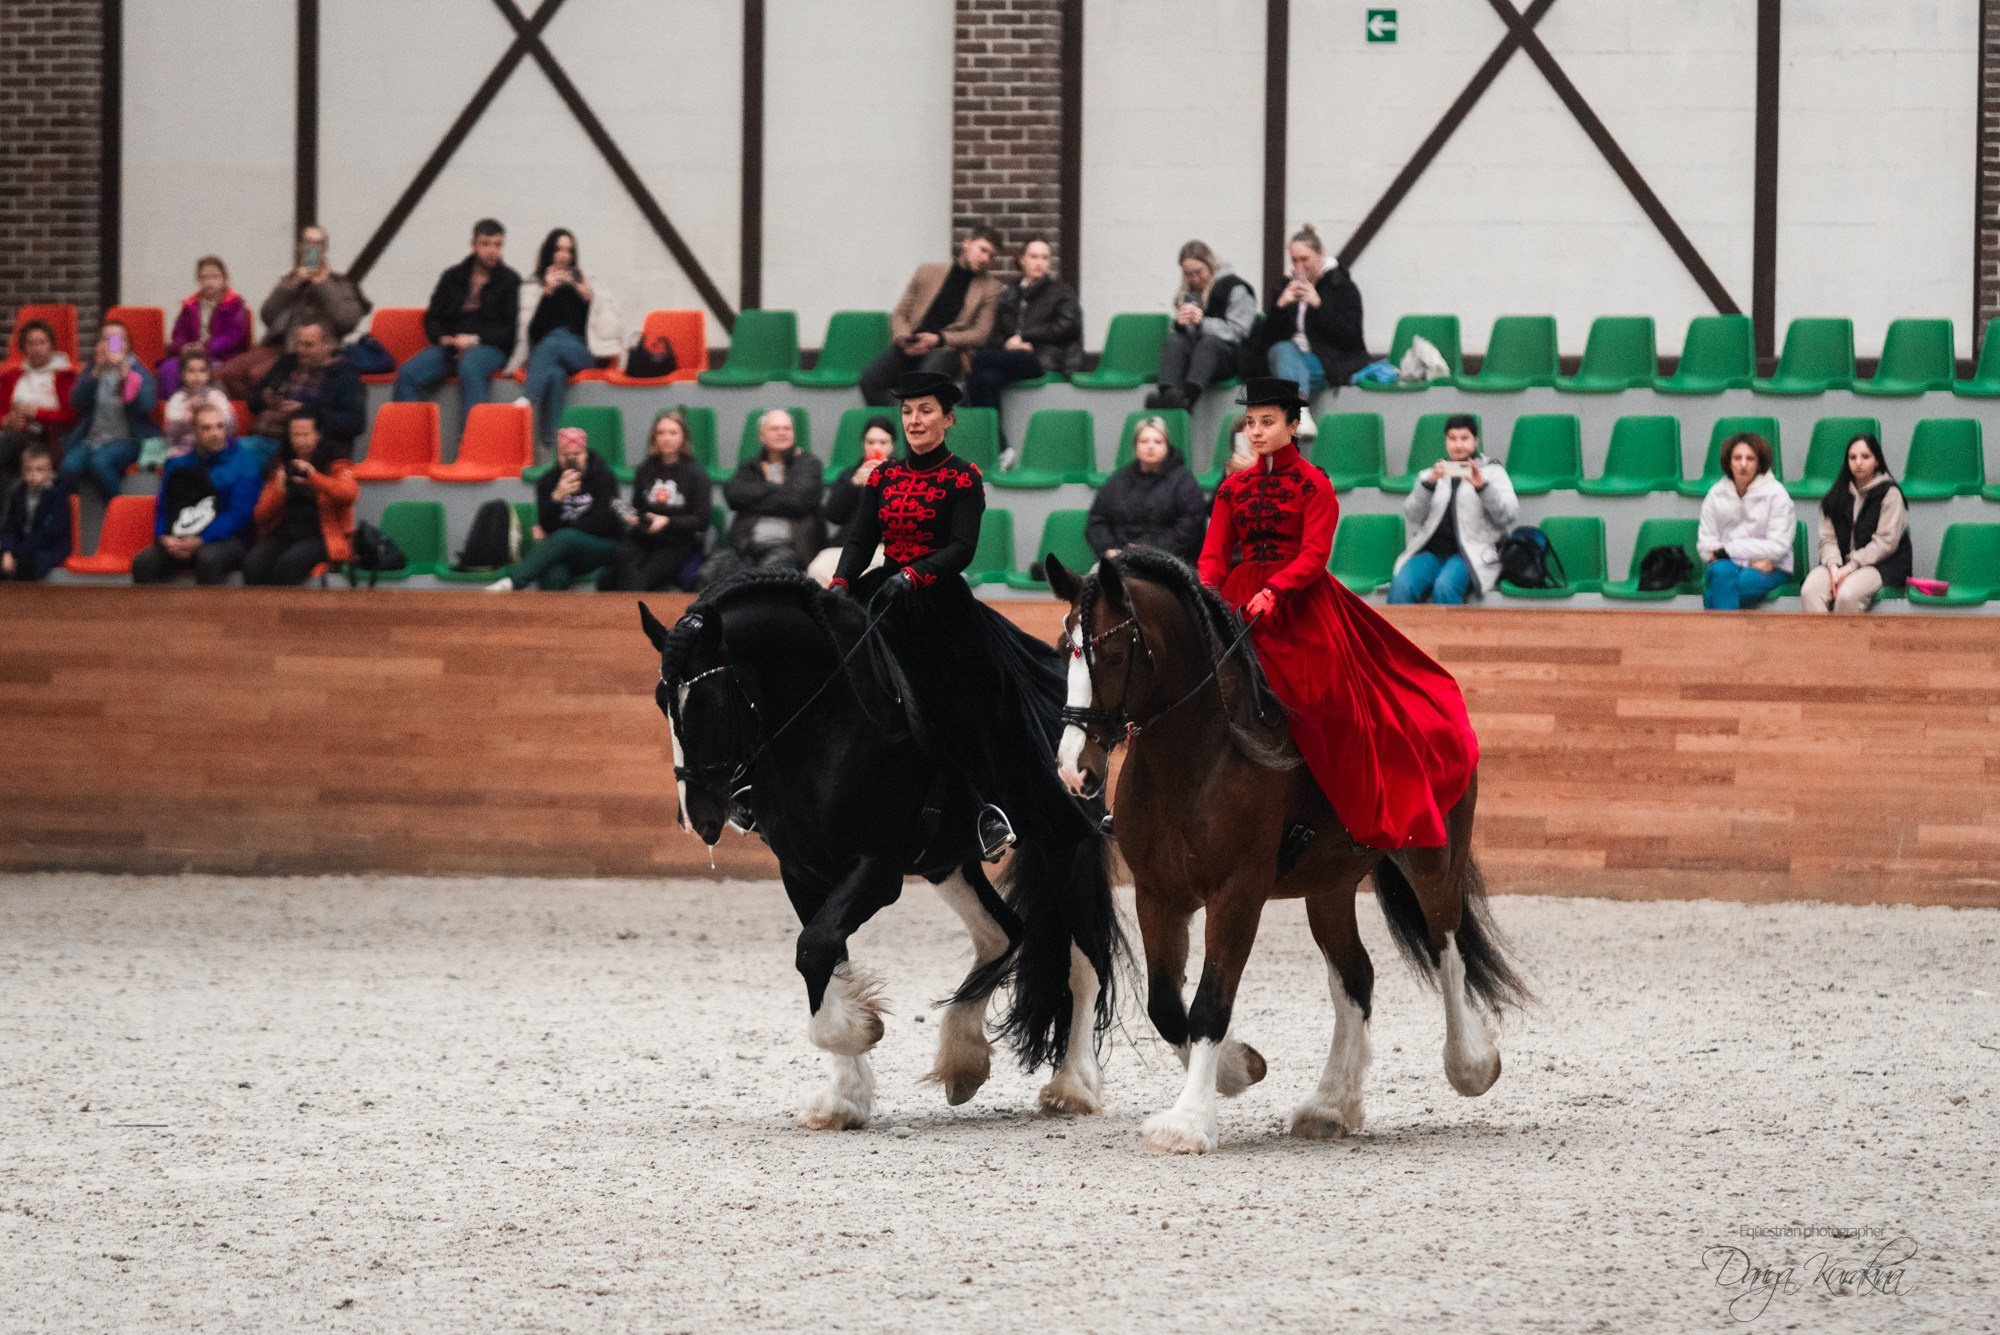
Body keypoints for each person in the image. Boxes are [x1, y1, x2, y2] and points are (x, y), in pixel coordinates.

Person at [1199, 378, 1479, 850]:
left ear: (1293, 425)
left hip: (1300, 602)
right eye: (1250, 423)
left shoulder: (1315, 484)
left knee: (1327, 700)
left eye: (1267, 422)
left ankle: (1340, 819)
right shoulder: (1232, 489)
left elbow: (1313, 555)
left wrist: (1275, 589)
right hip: (1238, 599)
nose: (1256, 432)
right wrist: (1205, 593)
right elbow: (1213, 555)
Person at [830, 369, 1098, 860]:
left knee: (961, 700)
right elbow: (859, 539)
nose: (914, 420)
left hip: (938, 604)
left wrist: (913, 576)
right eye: (908, 411)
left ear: (948, 419)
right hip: (883, 592)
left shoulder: (962, 476)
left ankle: (983, 809)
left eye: (926, 411)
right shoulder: (883, 476)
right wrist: (840, 586)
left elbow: (962, 548)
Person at [393, 219, 520, 433]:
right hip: (450, 346)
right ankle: (406, 444)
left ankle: (473, 448)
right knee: (407, 373)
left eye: (498, 245)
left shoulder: (510, 281)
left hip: (489, 347)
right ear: (474, 244)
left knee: (470, 365)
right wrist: (442, 338)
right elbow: (432, 317)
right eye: (486, 244)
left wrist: (474, 340)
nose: (492, 251)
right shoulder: (453, 276)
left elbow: (511, 331)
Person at [221, 225, 372, 398]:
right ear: (300, 247)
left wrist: (322, 284)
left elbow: (346, 322)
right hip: (278, 345)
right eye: (308, 243)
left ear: (325, 249)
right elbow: (267, 316)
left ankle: (269, 413)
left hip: (311, 352)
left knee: (257, 375)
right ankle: (262, 413)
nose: (312, 248)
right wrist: (290, 286)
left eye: (318, 244)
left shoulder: (340, 284)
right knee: (229, 372)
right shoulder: (290, 281)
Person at [858, 227, 1004, 406]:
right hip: (911, 343)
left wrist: (938, 339)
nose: (985, 259)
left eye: (991, 256)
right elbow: (900, 313)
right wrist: (903, 338)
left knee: (923, 383)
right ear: (967, 243)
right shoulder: (927, 272)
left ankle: (910, 418)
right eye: (983, 250)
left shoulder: (990, 287)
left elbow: (981, 333)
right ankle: (904, 418)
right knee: (870, 380)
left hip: (946, 349)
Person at [512, 227, 626, 453]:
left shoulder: (586, 282)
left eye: (569, 250)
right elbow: (532, 333)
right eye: (559, 249)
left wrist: (587, 298)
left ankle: (528, 396)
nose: (564, 255)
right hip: (549, 354)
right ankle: (550, 444)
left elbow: (608, 326)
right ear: (549, 252)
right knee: (554, 373)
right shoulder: (535, 285)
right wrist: (547, 294)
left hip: (582, 352)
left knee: (555, 340)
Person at [1388, 414, 1519, 605]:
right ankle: (1397, 636)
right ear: (1446, 441)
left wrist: (1482, 487)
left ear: (1475, 441)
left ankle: (1450, 636)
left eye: (1464, 438)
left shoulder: (1492, 473)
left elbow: (1508, 515)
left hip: (1471, 552)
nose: (1458, 445)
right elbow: (1412, 515)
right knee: (1401, 586)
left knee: (1445, 587)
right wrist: (1429, 485)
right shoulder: (1430, 474)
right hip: (1431, 552)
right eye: (1452, 438)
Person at [1250, 223, 1367, 434]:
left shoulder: (1342, 287)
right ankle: (1298, 409)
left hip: (1328, 360)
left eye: (1305, 259)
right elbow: (1264, 341)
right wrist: (1280, 306)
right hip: (1290, 360)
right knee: (1282, 350)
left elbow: (1351, 337)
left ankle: (1296, 410)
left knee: (1283, 358)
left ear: (1320, 254)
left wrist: (1319, 305)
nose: (1300, 266)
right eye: (1294, 260)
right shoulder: (1285, 286)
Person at [131, 401, 261, 584]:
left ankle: (207, 613)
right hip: (180, 535)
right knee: (144, 562)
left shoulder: (245, 464)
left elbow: (239, 515)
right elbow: (164, 507)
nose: (215, 433)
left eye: (220, 426)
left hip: (229, 539)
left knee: (208, 559)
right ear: (195, 431)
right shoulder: (178, 464)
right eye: (206, 428)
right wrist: (164, 538)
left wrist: (201, 539)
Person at [698, 409, 825, 588]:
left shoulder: (808, 463)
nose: (782, 432)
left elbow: (797, 502)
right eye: (775, 429)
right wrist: (774, 487)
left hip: (790, 547)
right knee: (707, 574)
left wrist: (752, 502)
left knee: (760, 581)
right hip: (744, 546)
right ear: (761, 436)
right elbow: (733, 496)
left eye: (787, 428)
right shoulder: (750, 466)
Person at [485, 426, 621, 591]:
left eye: (577, 454)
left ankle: (513, 581)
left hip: (602, 546)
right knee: (554, 574)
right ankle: (554, 617)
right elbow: (546, 523)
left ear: (586, 453)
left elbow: (603, 522)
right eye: (565, 455)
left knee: (566, 537)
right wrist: (557, 497)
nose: (571, 459)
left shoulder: (604, 477)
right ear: (558, 456)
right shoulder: (548, 481)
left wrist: (558, 535)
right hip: (564, 550)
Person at [599, 408, 711, 593]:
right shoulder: (644, 469)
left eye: (673, 433)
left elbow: (701, 520)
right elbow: (638, 507)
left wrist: (667, 521)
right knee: (622, 559)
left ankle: (629, 614)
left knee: (641, 577)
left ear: (683, 438)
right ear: (654, 438)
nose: (666, 438)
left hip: (676, 541)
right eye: (660, 433)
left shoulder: (696, 474)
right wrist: (632, 516)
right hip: (644, 536)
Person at [964, 236, 1082, 408]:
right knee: (987, 379)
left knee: (980, 360)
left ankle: (968, 415)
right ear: (1022, 260)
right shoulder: (1010, 294)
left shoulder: (1062, 292)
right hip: (1011, 357)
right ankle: (992, 433)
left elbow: (1066, 327)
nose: (1039, 263)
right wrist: (1007, 343)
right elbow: (996, 332)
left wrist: (1022, 337)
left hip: (1043, 357)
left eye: (1044, 258)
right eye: (1034, 257)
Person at [1801, 433, 1910, 614]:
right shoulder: (1836, 495)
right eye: (1853, 457)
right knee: (1809, 590)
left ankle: (1845, 643)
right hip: (1839, 564)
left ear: (1876, 460)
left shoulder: (1890, 493)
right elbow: (1827, 539)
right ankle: (1820, 642)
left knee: (1847, 595)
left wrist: (1851, 567)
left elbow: (1885, 543)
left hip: (1881, 566)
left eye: (1865, 456)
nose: (1858, 462)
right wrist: (1834, 567)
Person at [245, 411, 357, 586]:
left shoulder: (336, 460)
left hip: (321, 535)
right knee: (253, 564)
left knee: (287, 565)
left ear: (318, 434)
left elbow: (349, 494)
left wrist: (313, 477)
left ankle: (281, 612)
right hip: (285, 533)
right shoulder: (281, 462)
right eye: (295, 435)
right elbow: (260, 516)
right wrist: (279, 491)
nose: (300, 440)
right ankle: (258, 611)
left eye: (305, 434)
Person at [241, 319, 364, 468]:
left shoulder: (343, 375)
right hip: (261, 438)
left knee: (239, 453)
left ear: (329, 345)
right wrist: (265, 398)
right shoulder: (286, 363)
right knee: (221, 451)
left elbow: (355, 423)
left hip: (305, 450)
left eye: (309, 345)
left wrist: (305, 412)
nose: (300, 350)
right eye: (298, 343)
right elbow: (252, 403)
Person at [1085, 416, 1207, 564]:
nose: (1150, 446)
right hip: (1118, 561)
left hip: (1167, 563)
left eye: (1158, 441)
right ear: (1135, 446)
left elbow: (1190, 527)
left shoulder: (1184, 481)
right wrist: (1107, 548)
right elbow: (1097, 520)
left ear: (1167, 446)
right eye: (1144, 441)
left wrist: (1149, 549)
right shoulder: (1118, 480)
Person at [59, 320, 157, 504]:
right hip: (93, 439)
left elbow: (145, 406)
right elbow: (77, 402)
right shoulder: (93, 369)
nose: (111, 344)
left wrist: (122, 371)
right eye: (106, 339)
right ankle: (72, 519)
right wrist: (96, 371)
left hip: (129, 439)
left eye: (117, 340)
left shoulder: (138, 371)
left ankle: (120, 516)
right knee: (68, 467)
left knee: (100, 463)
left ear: (127, 345)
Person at [1698, 431, 1795, 610]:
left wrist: (1727, 550)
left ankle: (1720, 635)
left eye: (1750, 459)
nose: (1743, 464)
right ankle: (1730, 636)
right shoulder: (1715, 494)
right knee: (1721, 573)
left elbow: (1778, 547)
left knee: (1718, 590)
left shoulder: (1777, 494)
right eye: (1737, 458)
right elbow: (1706, 547)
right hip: (1737, 565)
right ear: (1729, 462)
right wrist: (1747, 561)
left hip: (1773, 567)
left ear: (1759, 463)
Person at [1154, 240, 1255, 410]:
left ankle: (1188, 400)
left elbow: (1238, 332)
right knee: (1175, 340)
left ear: (1211, 265)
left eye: (1198, 272)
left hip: (1230, 356)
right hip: (1199, 355)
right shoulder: (1191, 292)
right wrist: (1181, 324)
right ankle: (1167, 394)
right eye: (1188, 274)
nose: (1194, 278)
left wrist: (1203, 324)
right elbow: (1188, 335)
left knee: (1208, 343)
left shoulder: (1236, 288)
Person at [808, 415, 897, 585]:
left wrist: (888, 482)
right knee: (817, 568)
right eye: (870, 442)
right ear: (863, 444)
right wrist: (854, 484)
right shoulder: (851, 475)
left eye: (883, 443)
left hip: (888, 549)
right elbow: (833, 515)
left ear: (892, 445)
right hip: (851, 547)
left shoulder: (904, 475)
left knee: (877, 577)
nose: (875, 447)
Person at [158, 256, 251, 398]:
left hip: (221, 356)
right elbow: (179, 333)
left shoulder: (235, 304)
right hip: (190, 354)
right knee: (168, 369)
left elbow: (233, 336)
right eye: (204, 277)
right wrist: (184, 347)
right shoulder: (190, 305)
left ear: (224, 279)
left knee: (202, 371)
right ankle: (174, 411)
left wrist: (205, 348)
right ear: (198, 281)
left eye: (214, 277)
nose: (209, 282)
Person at [0, 319, 77, 478]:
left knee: (10, 445)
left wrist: (35, 412)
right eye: (31, 343)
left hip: (48, 437)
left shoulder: (65, 376)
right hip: (14, 434)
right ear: (24, 348)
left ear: (51, 345)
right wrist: (6, 420)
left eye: (42, 342)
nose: (36, 348)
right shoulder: (12, 377)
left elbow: (70, 417)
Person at [0, 445, 72, 580]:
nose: (33, 475)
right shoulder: (17, 494)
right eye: (28, 470)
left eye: (39, 470)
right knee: (4, 562)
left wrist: (18, 551)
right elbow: (9, 527)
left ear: (49, 471)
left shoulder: (58, 494)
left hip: (49, 548)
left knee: (25, 567)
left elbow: (51, 533)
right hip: (21, 546)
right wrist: (8, 551)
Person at [159, 345, 233, 463]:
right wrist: (190, 416)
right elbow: (171, 433)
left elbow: (231, 426)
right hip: (184, 452)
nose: (197, 375)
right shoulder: (177, 399)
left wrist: (207, 414)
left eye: (202, 371)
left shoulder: (217, 396)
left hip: (215, 451)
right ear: (182, 374)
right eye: (191, 371)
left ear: (209, 374)